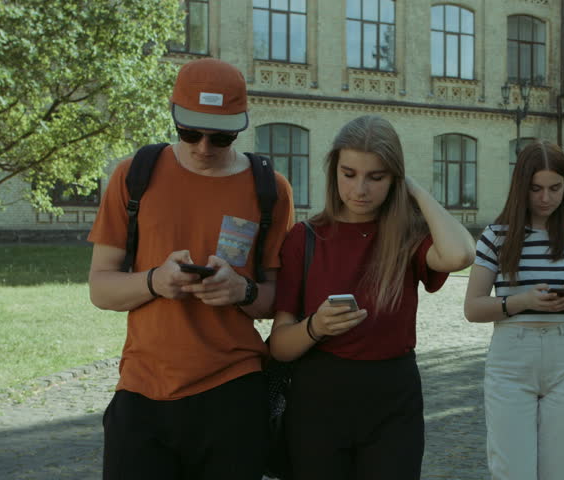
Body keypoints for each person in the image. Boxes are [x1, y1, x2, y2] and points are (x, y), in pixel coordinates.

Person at [88, 58, 295, 479]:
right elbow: (100, 288)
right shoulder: (134, 176)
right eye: (189, 132)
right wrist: (153, 281)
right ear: (174, 115)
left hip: (233, 392)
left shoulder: (270, 189)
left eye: (220, 137)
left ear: (241, 126)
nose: (203, 147)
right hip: (142, 390)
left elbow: (281, 302)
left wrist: (243, 291)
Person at [268, 115, 475, 480]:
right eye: (349, 174)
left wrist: (413, 190)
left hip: (393, 398)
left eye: (376, 177)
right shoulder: (306, 237)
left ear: (393, 177)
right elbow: (279, 346)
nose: (359, 189)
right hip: (318, 398)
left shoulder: (407, 236)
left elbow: (460, 254)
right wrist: (315, 326)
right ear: (334, 171)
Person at [464, 140, 564, 480]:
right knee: (512, 470)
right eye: (536, 188)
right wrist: (522, 301)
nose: (545, 198)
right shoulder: (496, 237)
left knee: (560, 469)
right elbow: (473, 307)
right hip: (512, 356)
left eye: (555, 188)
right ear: (520, 187)